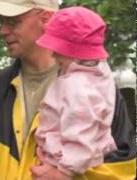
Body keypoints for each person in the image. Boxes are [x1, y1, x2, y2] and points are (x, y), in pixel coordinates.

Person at [0, 1, 136, 180]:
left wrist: (67, 175)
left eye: (12, 21)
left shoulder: (96, 90)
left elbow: (124, 169)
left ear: (46, 19)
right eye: (1, 22)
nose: (2, 30)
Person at [32, 6, 117, 178]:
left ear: (75, 52)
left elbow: (80, 131)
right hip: (75, 159)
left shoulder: (77, 86)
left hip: (63, 162)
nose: (54, 56)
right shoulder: (100, 74)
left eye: (58, 50)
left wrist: (62, 172)